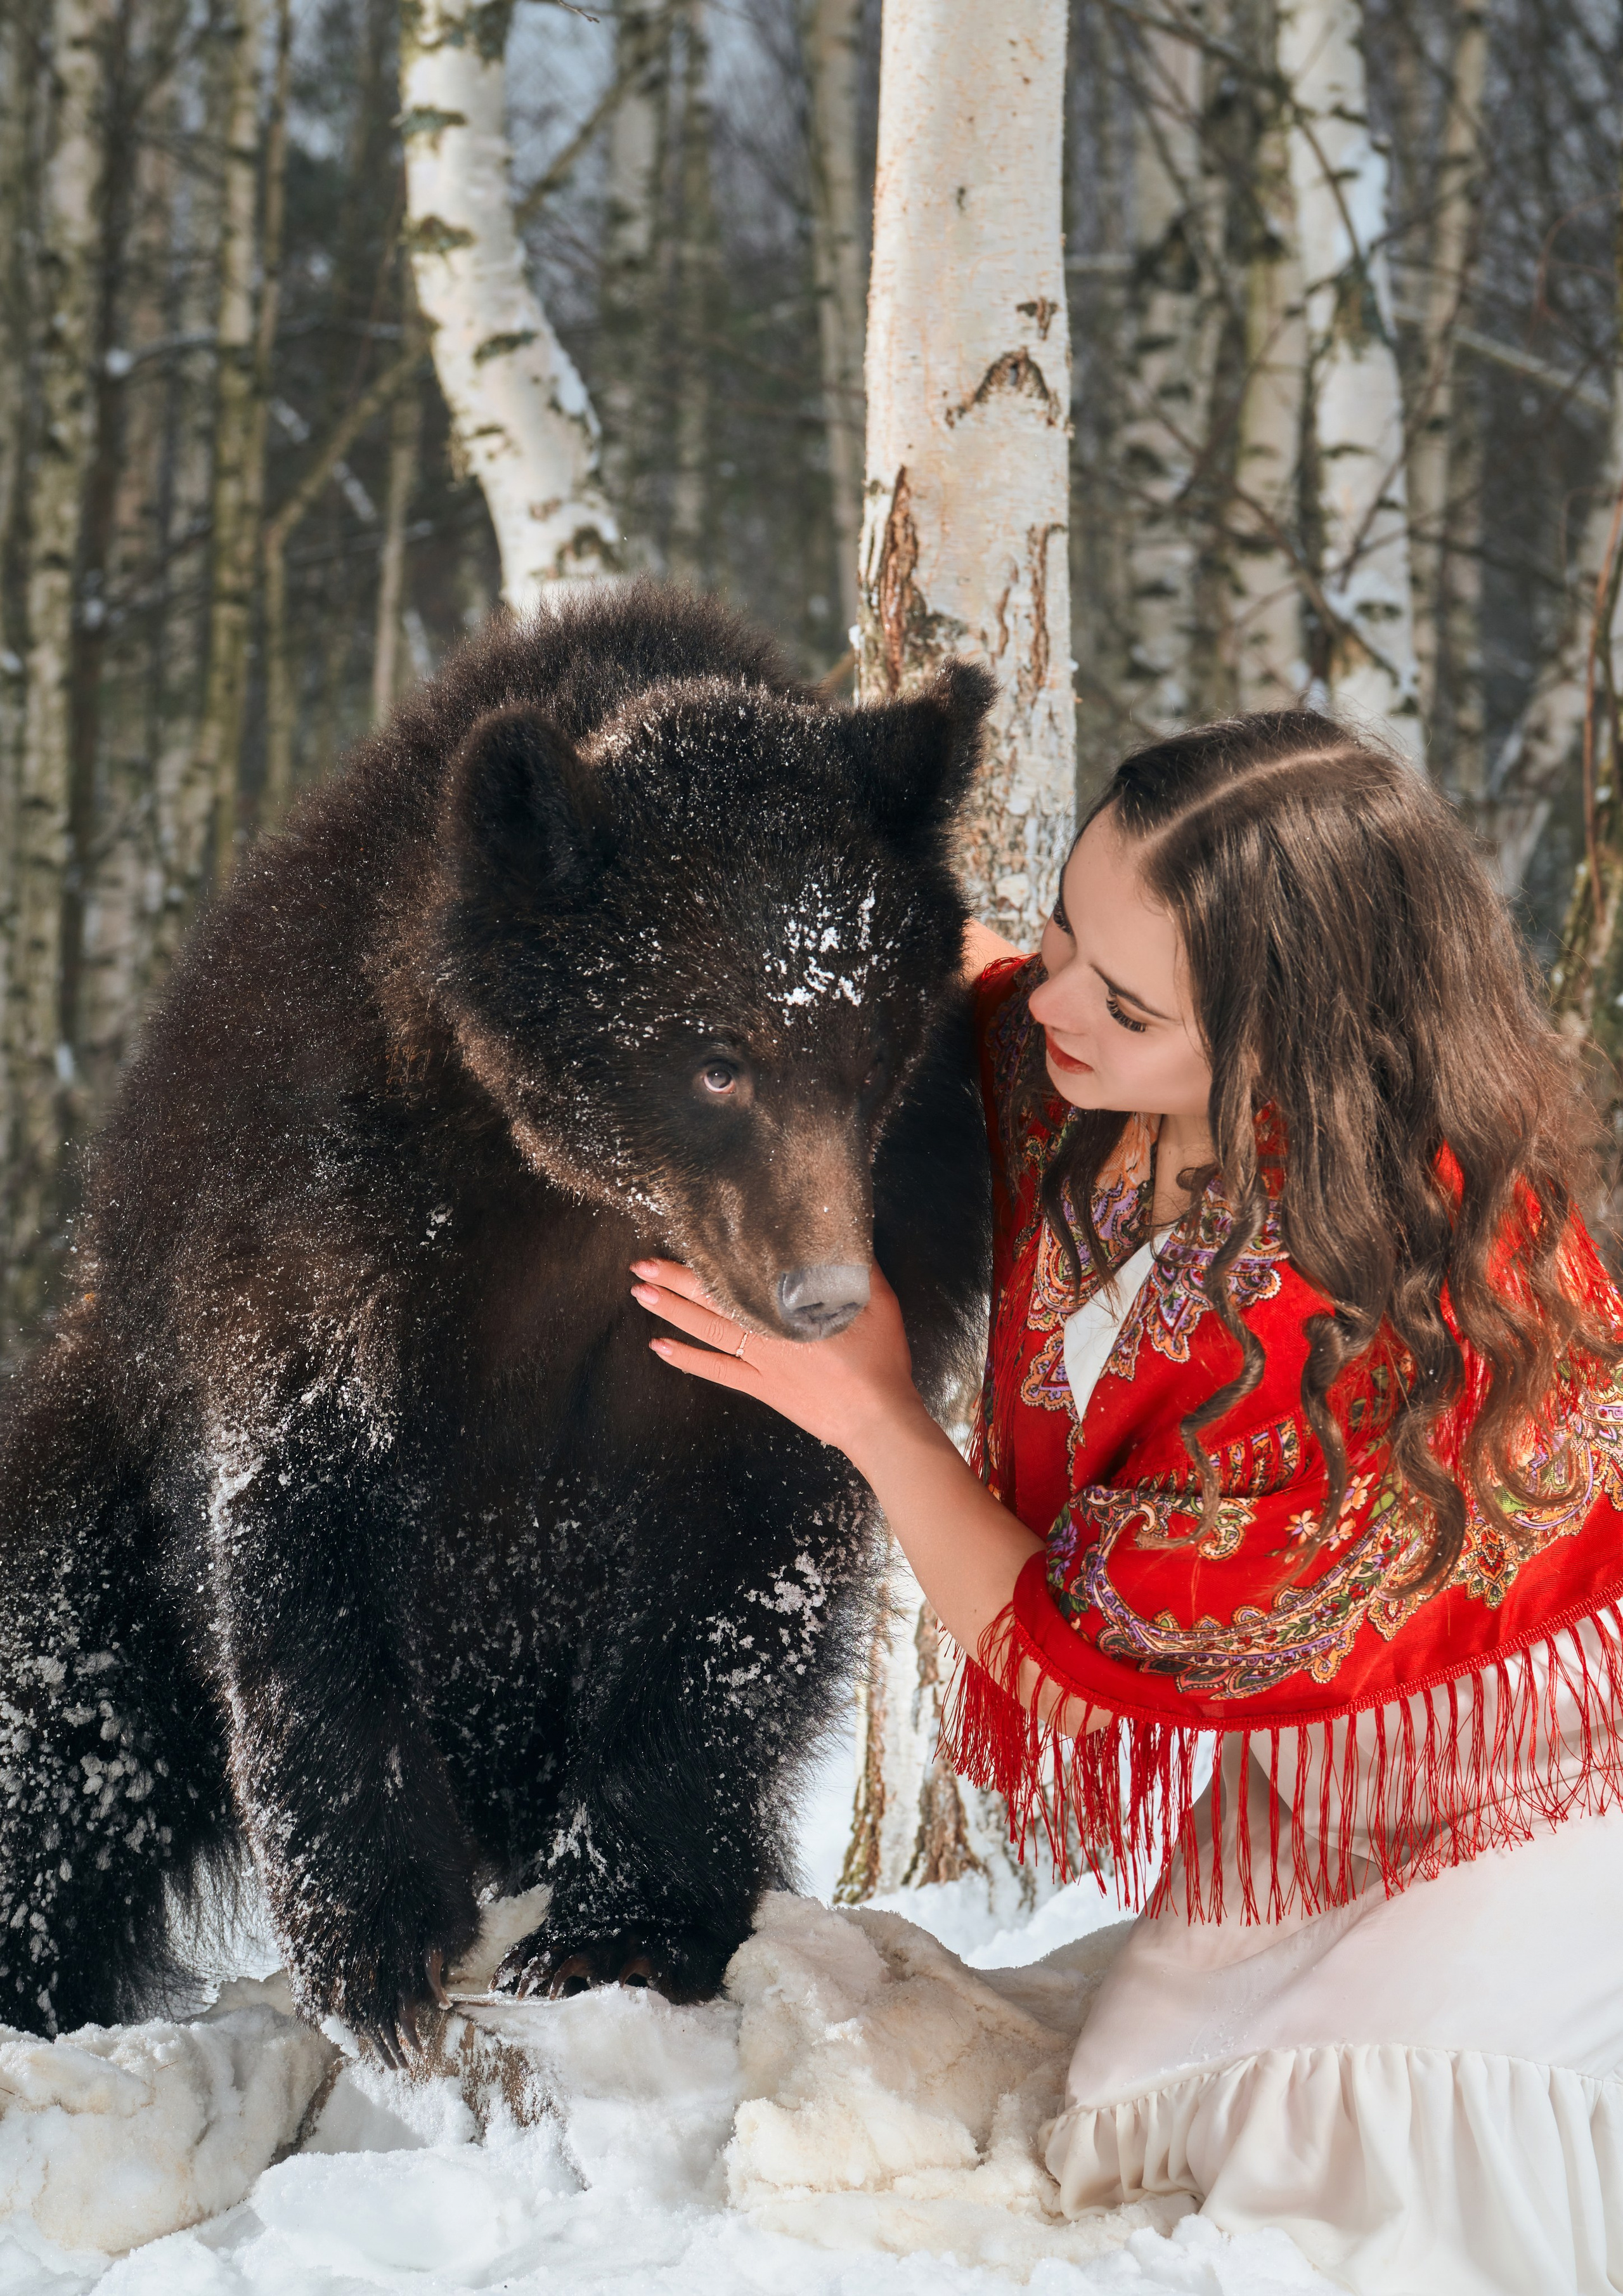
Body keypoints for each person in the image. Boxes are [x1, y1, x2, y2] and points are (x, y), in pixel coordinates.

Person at [629, 711, 1623, 2296]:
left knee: (1391, 2150)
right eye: (1071, 929)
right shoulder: (1081, 1057)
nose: (1052, 1005)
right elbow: (945, 959)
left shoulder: (1346, 1328)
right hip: (1309, 1769)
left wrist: (874, 1414)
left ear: (1289, 1044)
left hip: (1535, 1759)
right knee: (1121, 2106)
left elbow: (1058, 1648)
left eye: (1128, 999)